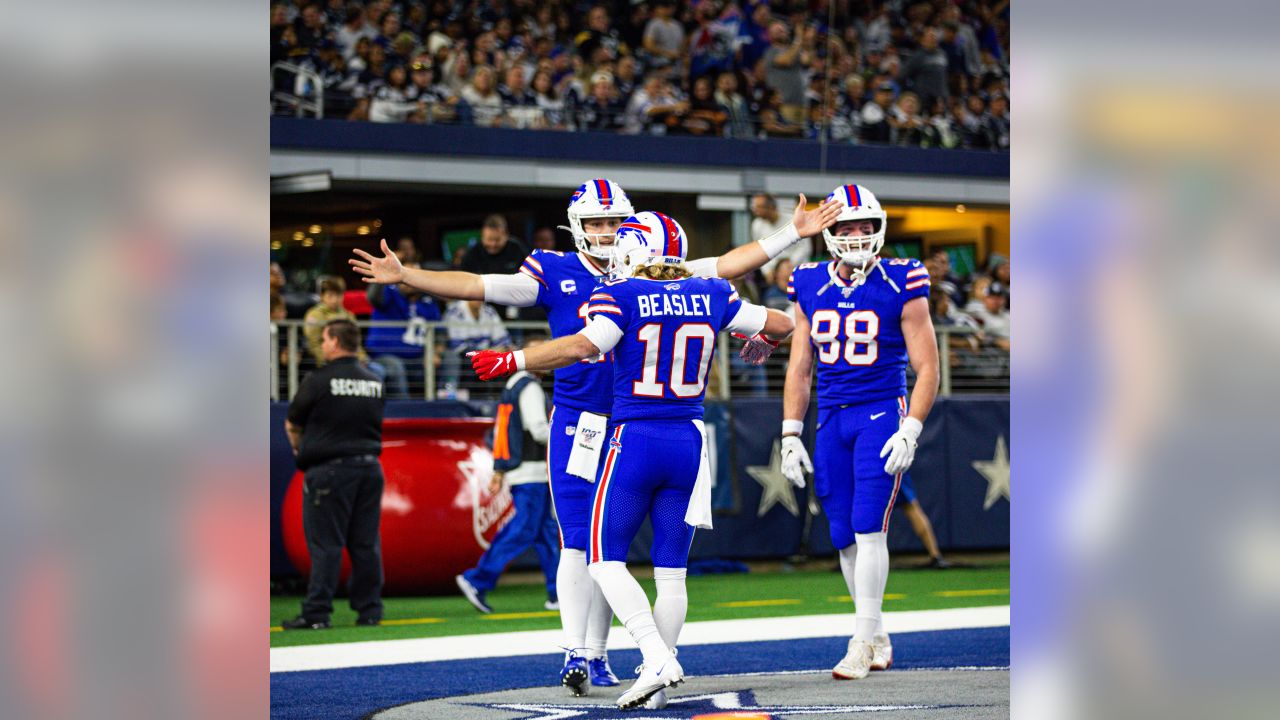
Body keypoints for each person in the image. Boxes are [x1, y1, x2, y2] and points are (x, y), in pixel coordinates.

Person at [349, 178, 838, 697]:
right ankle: (576, 650)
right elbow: (480, 284)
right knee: (579, 540)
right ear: (577, 228)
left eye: (614, 223)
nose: (606, 233)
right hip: (586, 422)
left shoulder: (652, 273)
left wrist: (790, 232)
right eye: (597, 223)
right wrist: (409, 277)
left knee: (614, 547)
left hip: (633, 425)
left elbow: (734, 261)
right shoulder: (561, 269)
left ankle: (601, 654)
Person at [467, 211, 795, 709]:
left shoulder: (618, 295)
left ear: (640, 249)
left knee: (600, 557)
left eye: (624, 242)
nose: (616, 250)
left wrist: (513, 359)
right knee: (671, 573)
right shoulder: (712, 293)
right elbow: (782, 323)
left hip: (635, 438)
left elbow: (580, 345)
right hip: (689, 439)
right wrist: (759, 346)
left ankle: (654, 655)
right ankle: (657, 679)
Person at [778, 183, 940, 680]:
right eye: (846, 228)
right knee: (844, 536)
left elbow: (928, 367)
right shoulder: (806, 282)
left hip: (878, 414)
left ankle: (860, 640)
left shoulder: (902, 279)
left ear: (880, 229)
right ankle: (878, 633)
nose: (857, 236)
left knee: (870, 527)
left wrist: (910, 427)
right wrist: (789, 433)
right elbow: (800, 367)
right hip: (831, 417)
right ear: (829, 234)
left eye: (865, 227)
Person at [281, 319, 387, 629]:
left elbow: (292, 424)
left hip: (329, 472)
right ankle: (369, 611)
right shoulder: (374, 381)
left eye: (326, 339)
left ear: (336, 342)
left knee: (325, 545)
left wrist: (301, 451)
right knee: (365, 544)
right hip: (369, 468)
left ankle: (317, 613)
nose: (323, 345)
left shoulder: (317, 380)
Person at [456, 342, 560, 613]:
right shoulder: (529, 386)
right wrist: (568, 436)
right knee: (525, 530)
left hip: (521, 470)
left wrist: (499, 470)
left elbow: (504, 434)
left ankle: (558, 593)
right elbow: (538, 431)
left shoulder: (512, 386)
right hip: (532, 471)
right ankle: (478, 579)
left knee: (545, 533)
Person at [365, 263, 442, 399]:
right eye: (403, 275)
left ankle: (446, 404)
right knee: (396, 366)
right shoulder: (390, 293)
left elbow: (441, 333)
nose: (406, 280)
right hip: (384, 357)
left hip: (418, 360)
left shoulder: (428, 302)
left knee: (449, 358)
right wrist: (382, 275)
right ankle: (404, 412)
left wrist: (434, 352)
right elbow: (372, 298)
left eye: (411, 276)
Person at [893, 474, 951, 570]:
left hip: (885, 466)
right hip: (890, 466)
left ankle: (935, 556)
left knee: (911, 507)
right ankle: (935, 556)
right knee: (911, 507)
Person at [303, 276, 358, 365]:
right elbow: (314, 343)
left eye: (339, 295)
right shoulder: (314, 314)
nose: (335, 300)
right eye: (330, 295)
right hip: (327, 363)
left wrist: (362, 359)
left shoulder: (349, 315)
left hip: (350, 361)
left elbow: (356, 343)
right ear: (322, 296)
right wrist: (326, 361)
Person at [458, 214, 529, 276]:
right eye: (489, 239)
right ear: (482, 237)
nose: (493, 244)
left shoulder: (517, 249)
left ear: (506, 235)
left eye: (497, 240)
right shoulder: (472, 254)